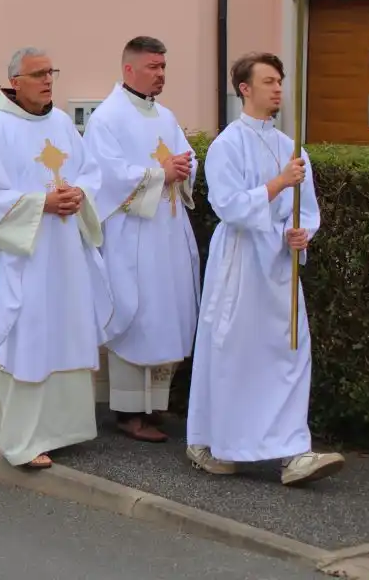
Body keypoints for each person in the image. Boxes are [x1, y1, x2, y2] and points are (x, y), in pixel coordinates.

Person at [186, 53, 345, 486]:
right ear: (245, 89)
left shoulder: (291, 148)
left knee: (289, 352)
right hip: (240, 262)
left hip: (278, 265)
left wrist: (302, 234)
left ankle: (293, 451)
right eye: (269, 81)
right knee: (234, 352)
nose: (278, 89)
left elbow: (306, 212)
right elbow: (228, 205)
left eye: (281, 81)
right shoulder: (227, 145)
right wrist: (278, 183)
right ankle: (214, 441)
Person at [0, 47, 111, 470]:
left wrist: (80, 193)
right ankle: (22, 438)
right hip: (25, 256)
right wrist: (40, 202)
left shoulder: (63, 123)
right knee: (29, 334)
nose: (48, 80)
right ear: (16, 82)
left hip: (65, 253)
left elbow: (90, 171)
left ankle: (64, 428)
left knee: (66, 331)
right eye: (39, 74)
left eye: (51, 72)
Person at [83, 37, 200, 443]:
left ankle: (153, 405)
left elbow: (184, 158)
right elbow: (107, 178)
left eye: (164, 66)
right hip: (131, 236)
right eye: (153, 66)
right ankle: (127, 411)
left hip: (166, 231)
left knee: (165, 314)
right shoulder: (107, 119)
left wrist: (184, 168)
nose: (161, 74)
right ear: (129, 69)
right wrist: (160, 173)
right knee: (137, 314)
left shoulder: (165, 116)